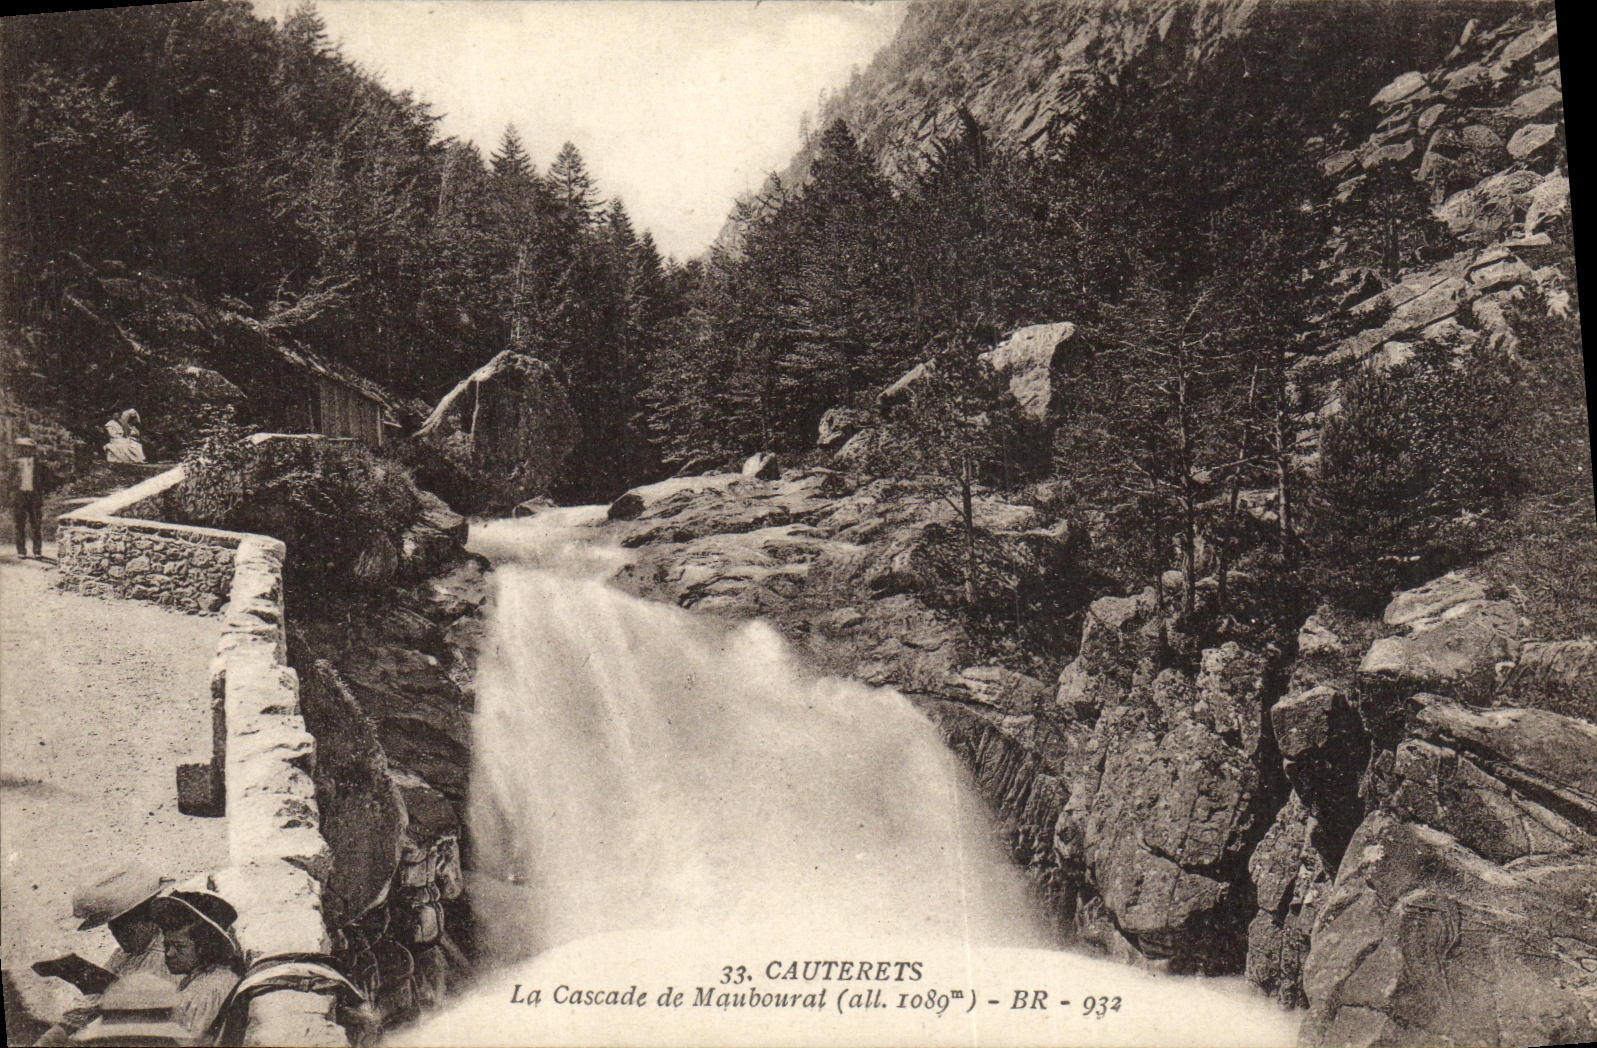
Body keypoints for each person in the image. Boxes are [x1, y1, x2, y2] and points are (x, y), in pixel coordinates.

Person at [32, 864, 176, 1045]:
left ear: (148, 917)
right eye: (113, 928)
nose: (119, 937)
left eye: (126, 928)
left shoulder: (168, 957)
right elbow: (87, 1007)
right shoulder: (123, 956)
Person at [147, 891, 243, 1044]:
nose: (169, 953)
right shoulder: (198, 979)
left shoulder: (210, 989)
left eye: (180, 947)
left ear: (204, 948)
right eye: (167, 945)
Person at [9, 436, 56, 558]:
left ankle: (37, 551)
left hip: (34, 497)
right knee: (19, 524)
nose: (25, 451)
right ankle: (21, 550)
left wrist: (42, 492)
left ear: (33, 450)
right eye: (22, 448)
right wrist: (11, 495)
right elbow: (9, 481)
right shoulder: (15, 464)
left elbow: (48, 480)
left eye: (28, 449)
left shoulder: (40, 465)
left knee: (36, 525)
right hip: (20, 496)